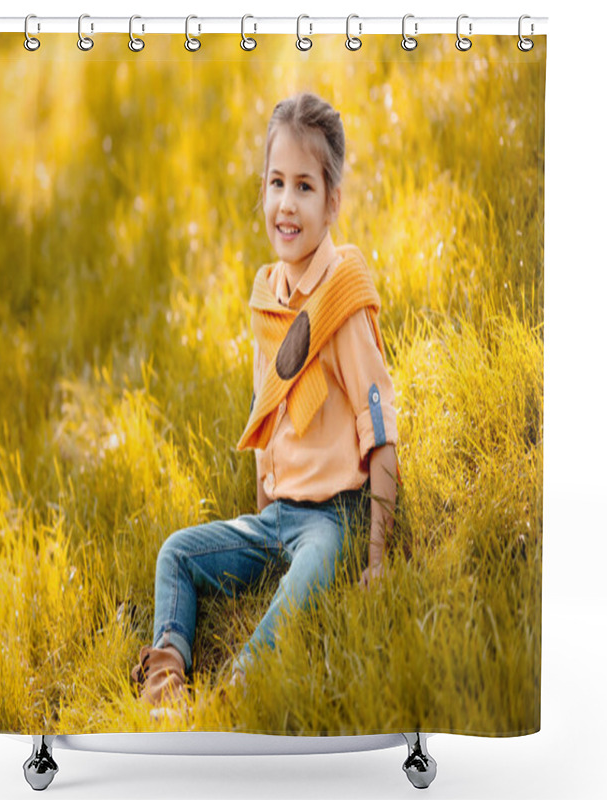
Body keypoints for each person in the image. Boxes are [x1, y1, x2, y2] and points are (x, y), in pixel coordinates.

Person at [131, 92, 398, 719]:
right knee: (177, 552)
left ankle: (239, 692)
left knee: (307, 579)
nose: (286, 203)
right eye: (276, 182)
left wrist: (379, 557)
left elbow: (379, 426)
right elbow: (269, 408)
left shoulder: (345, 296)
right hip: (277, 517)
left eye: (304, 186)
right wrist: (261, 512)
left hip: (331, 519)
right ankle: (166, 680)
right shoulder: (267, 295)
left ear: (333, 201)